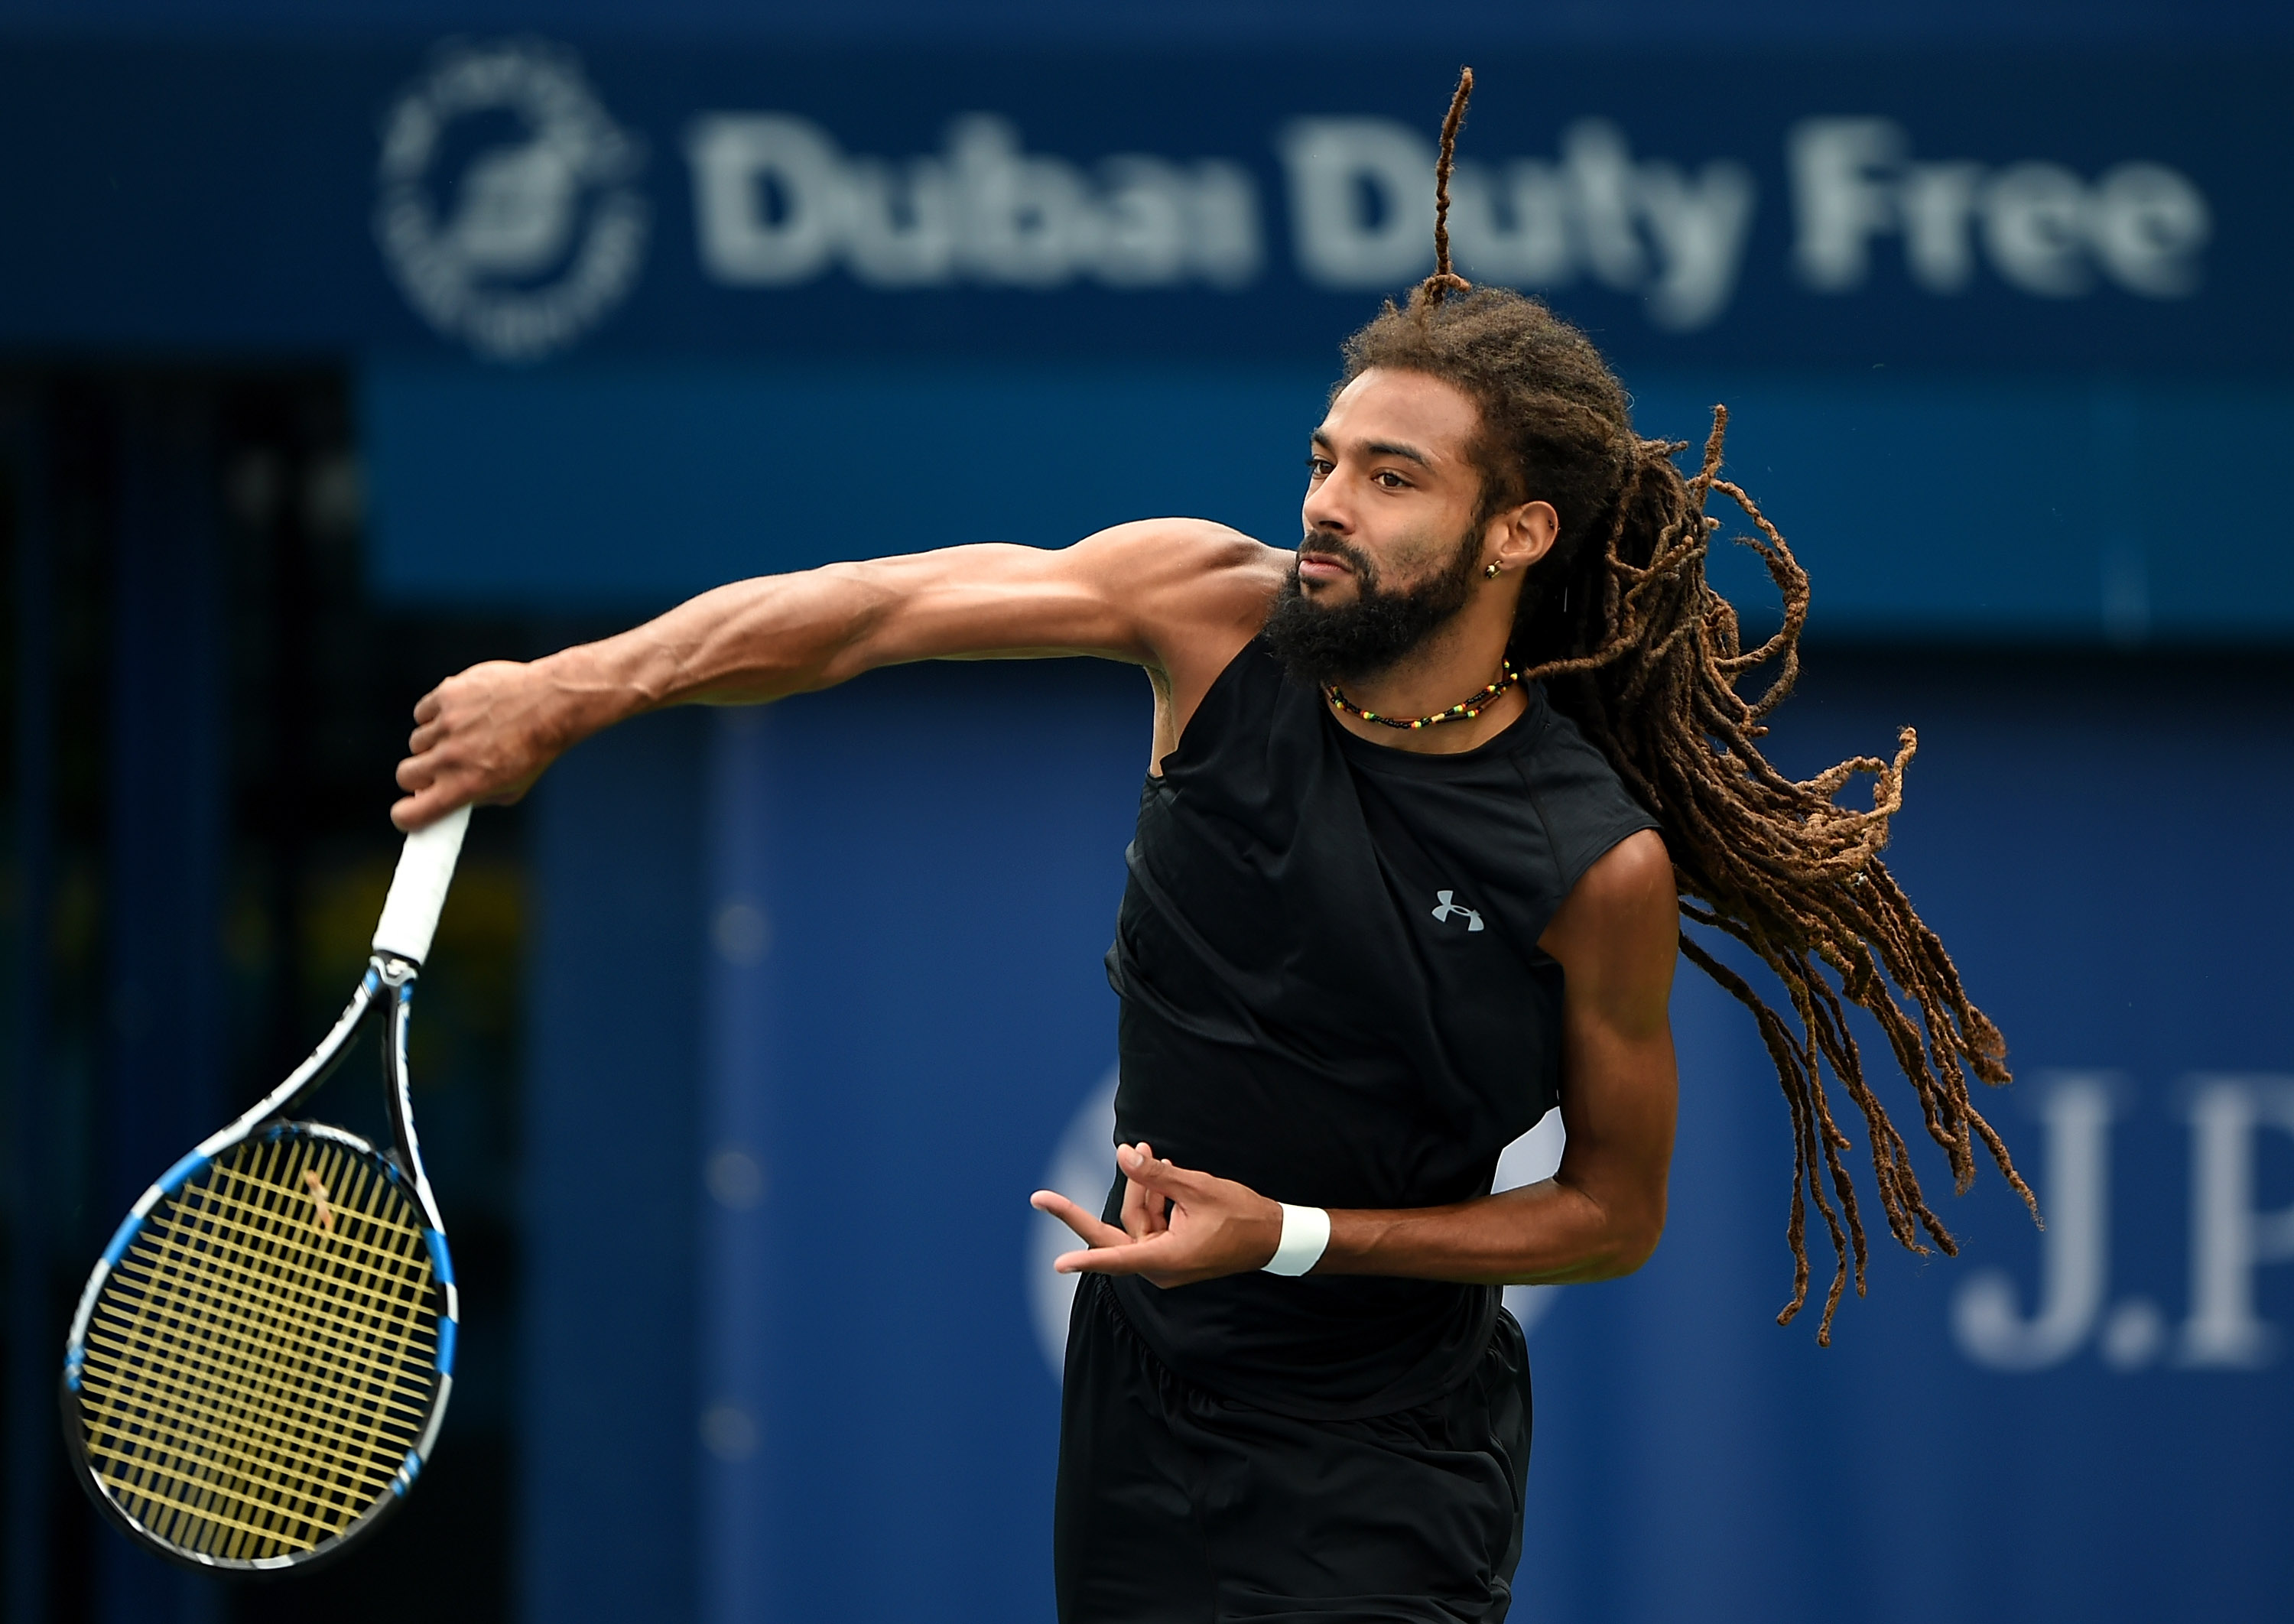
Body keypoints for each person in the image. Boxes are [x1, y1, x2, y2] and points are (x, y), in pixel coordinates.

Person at [392, 71, 2029, 1624]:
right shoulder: (1205, 610)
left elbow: (1610, 1215)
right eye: (1326, 459)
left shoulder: (1592, 864)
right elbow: (871, 611)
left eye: (1393, 480)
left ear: (1516, 532)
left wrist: (1300, 1240)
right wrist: (572, 685)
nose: (1327, 501)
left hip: (1387, 1459)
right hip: (1139, 1406)